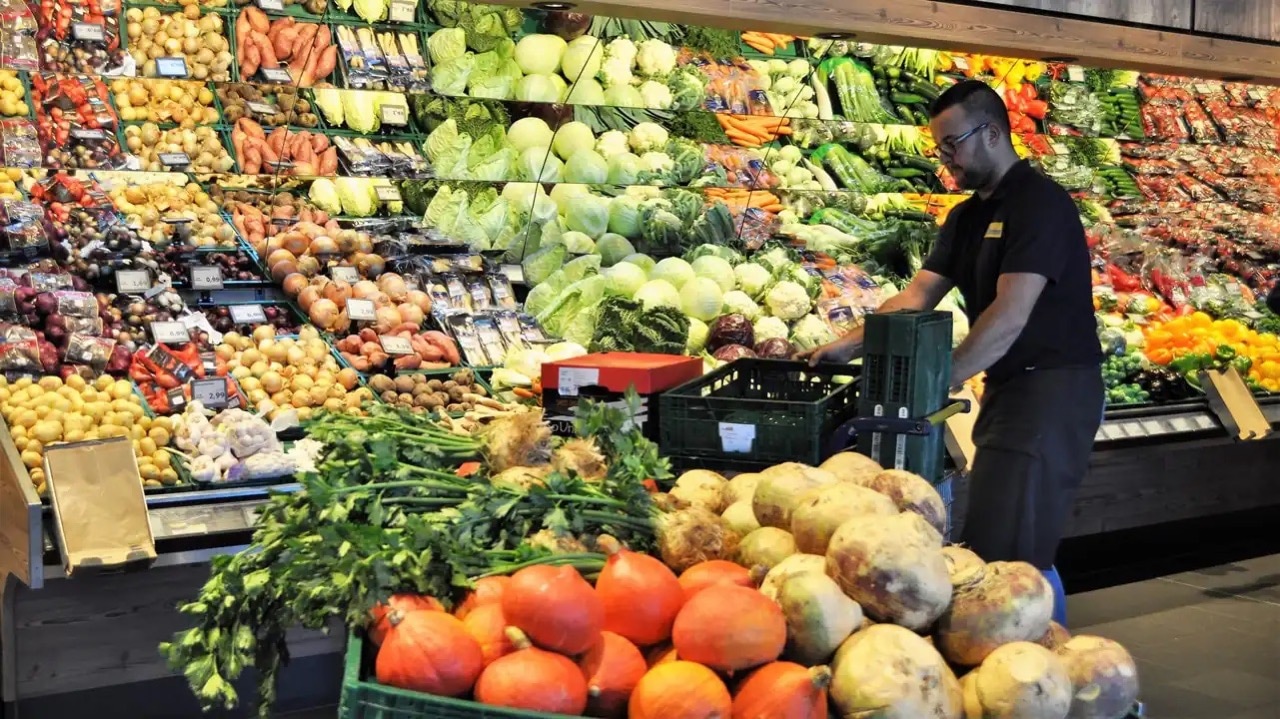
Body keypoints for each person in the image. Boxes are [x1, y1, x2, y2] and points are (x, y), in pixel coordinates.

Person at [798, 80, 1103, 626]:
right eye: (939, 148)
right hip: (1011, 391)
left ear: (990, 133)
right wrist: (846, 347)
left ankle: (1046, 662)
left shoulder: (1041, 205)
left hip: (1054, 391)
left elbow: (1010, 316)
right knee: (998, 534)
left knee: (1015, 550)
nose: (946, 160)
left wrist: (942, 379)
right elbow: (916, 296)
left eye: (952, 144)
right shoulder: (965, 217)